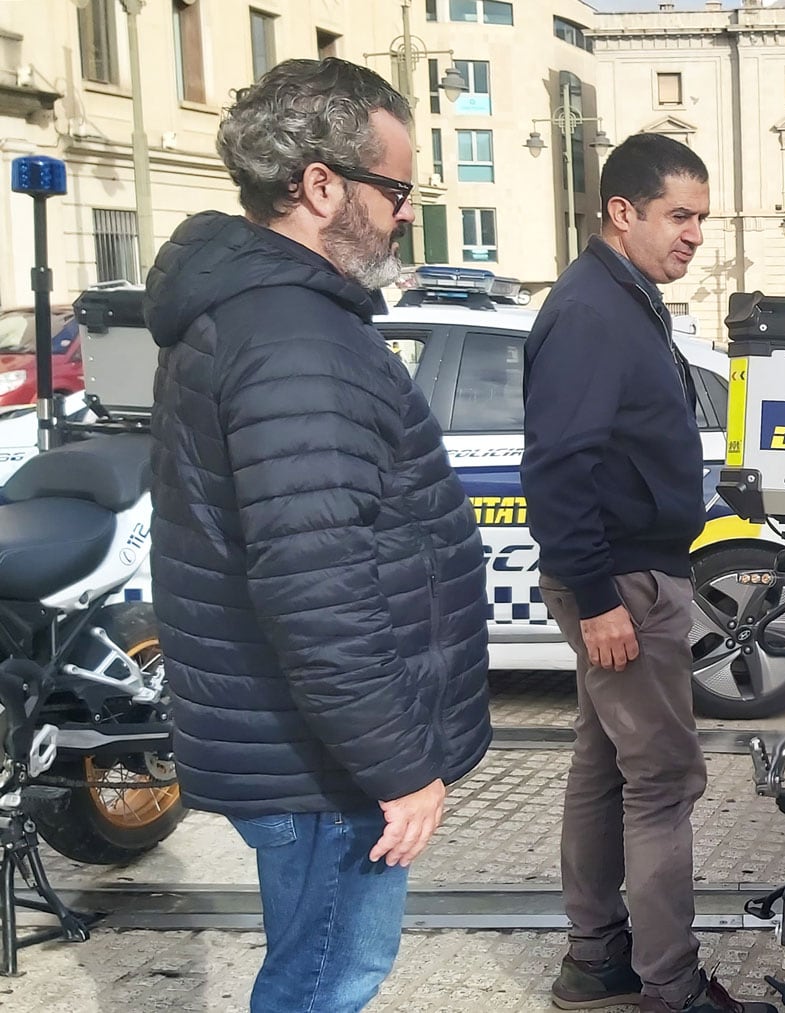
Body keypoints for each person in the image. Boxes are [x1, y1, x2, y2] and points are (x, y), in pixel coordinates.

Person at [144, 58, 493, 1013]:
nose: (405, 212)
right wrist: (398, 767)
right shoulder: (294, 338)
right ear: (321, 186)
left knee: (317, 968)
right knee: (325, 979)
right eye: (396, 188)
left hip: (307, 746)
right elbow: (315, 580)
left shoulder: (266, 315)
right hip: (324, 764)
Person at [522, 132, 775, 1013]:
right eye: (679, 215)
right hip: (621, 585)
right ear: (620, 212)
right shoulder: (593, 310)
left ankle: (595, 960)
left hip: (632, 572)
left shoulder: (625, 300)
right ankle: (669, 985)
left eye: (702, 217)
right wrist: (597, 599)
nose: (695, 234)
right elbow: (557, 466)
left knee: (604, 767)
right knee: (664, 780)